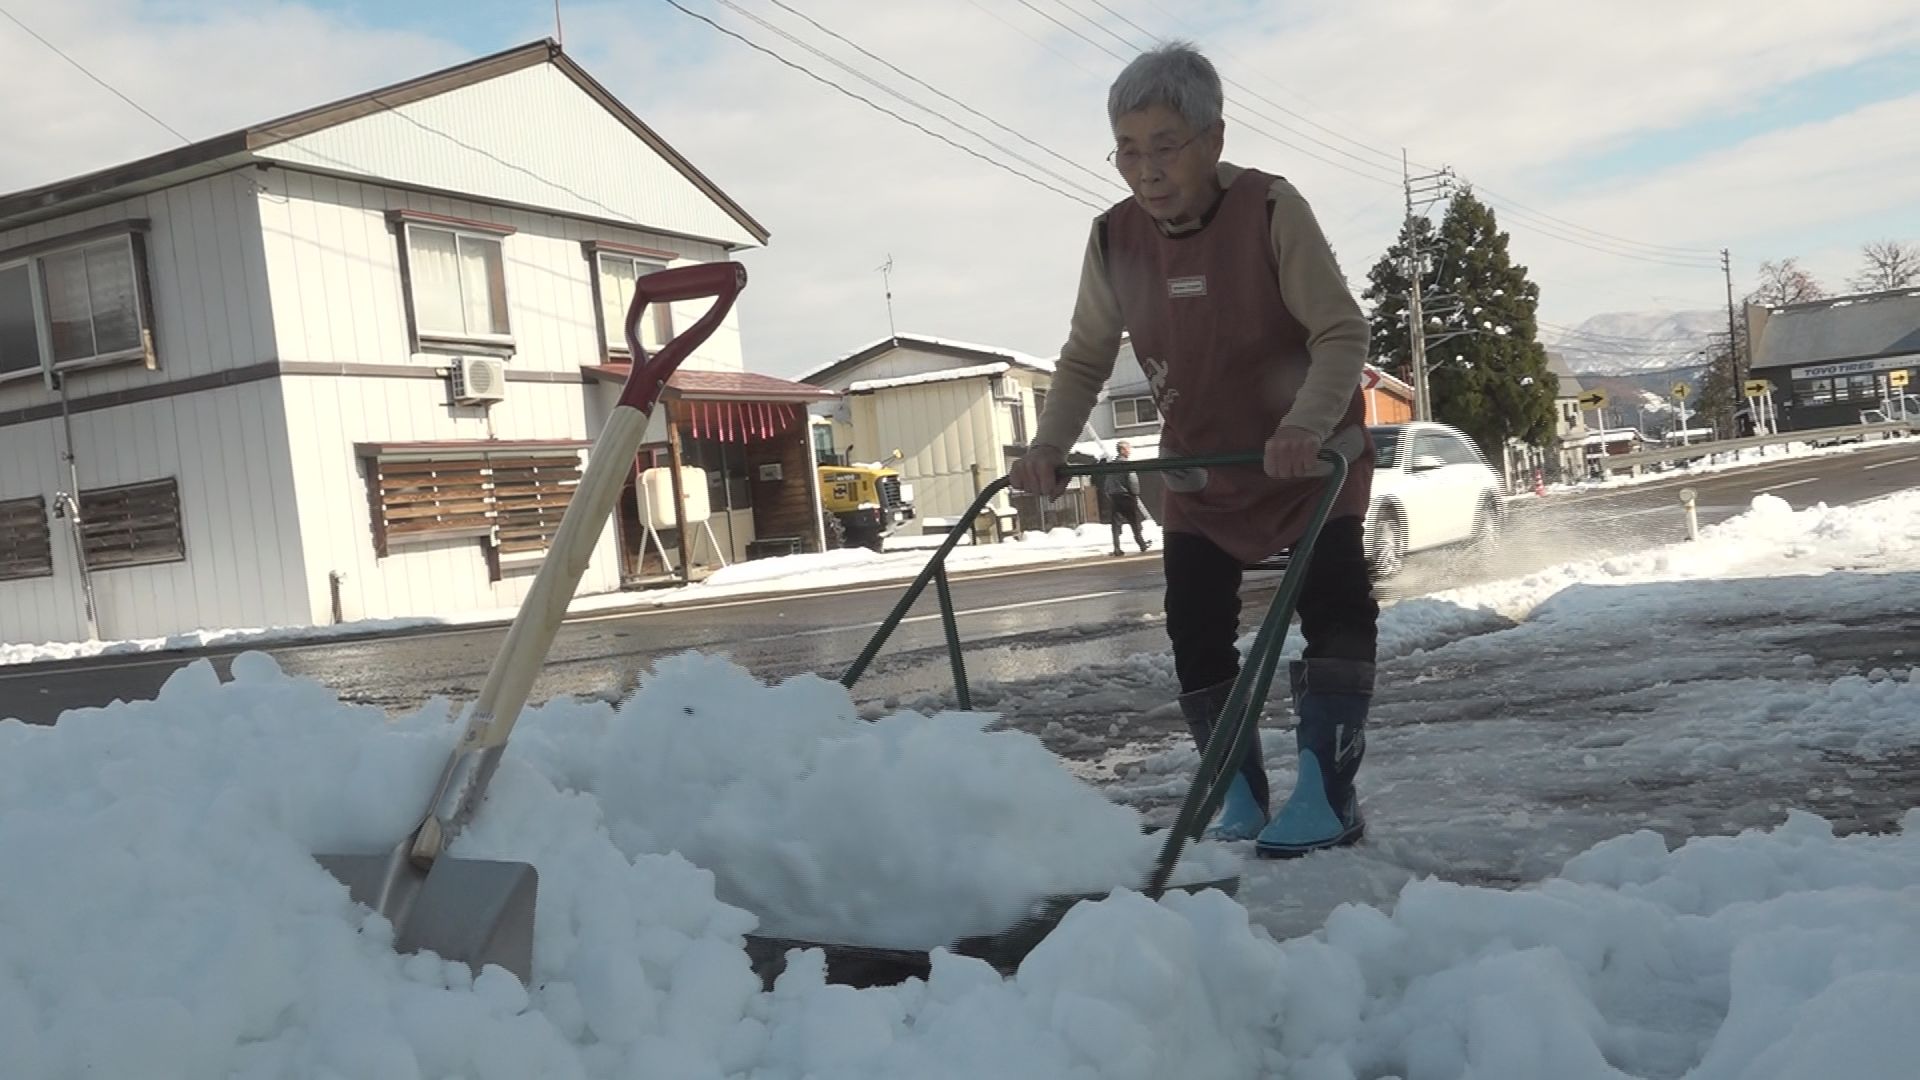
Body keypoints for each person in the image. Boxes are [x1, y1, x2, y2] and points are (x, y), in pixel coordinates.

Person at [1010, 41, 1380, 858]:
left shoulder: (1270, 208)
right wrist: (1048, 446)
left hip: (1307, 464)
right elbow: (1084, 357)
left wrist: (1304, 426)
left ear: (1212, 140)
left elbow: (1340, 331)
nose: (1145, 169)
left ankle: (1328, 793)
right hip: (1203, 472)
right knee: (1195, 627)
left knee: (1336, 607)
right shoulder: (1113, 238)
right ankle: (1236, 790)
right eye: (1127, 149)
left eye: (1165, 146)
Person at [1102, 441, 1150, 555]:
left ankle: (1117, 548)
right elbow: (1132, 480)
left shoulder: (1112, 466)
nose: (1130, 451)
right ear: (1122, 450)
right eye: (1128, 449)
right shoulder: (1127, 464)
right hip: (1127, 497)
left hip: (1115, 497)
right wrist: (1135, 493)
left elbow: (1107, 483)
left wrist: (1109, 493)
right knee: (1134, 521)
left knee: (1116, 524)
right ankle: (1141, 544)